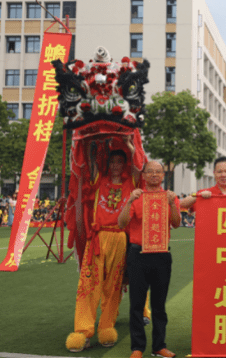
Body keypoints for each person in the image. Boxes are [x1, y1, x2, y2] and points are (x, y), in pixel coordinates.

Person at [66, 137, 140, 353]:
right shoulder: (100, 179)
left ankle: (106, 326)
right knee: (88, 284)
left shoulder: (130, 183)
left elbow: (138, 168)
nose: (116, 165)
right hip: (98, 238)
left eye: (120, 161)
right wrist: (89, 142)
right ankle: (83, 330)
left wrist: (128, 145)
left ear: (124, 164)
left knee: (114, 285)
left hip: (119, 239)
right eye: (113, 161)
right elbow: (90, 163)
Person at [118, 161, 180, 358]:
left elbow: (177, 224)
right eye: (150, 171)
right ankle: (137, 348)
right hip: (138, 255)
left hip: (162, 255)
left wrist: (171, 203)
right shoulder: (136, 197)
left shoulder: (170, 197)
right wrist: (128, 202)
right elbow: (121, 223)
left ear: (163, 175)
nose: (154, 175)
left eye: (158, 171)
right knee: (136, 303)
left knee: (159, 304)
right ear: (143, 175)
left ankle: (159, 346)